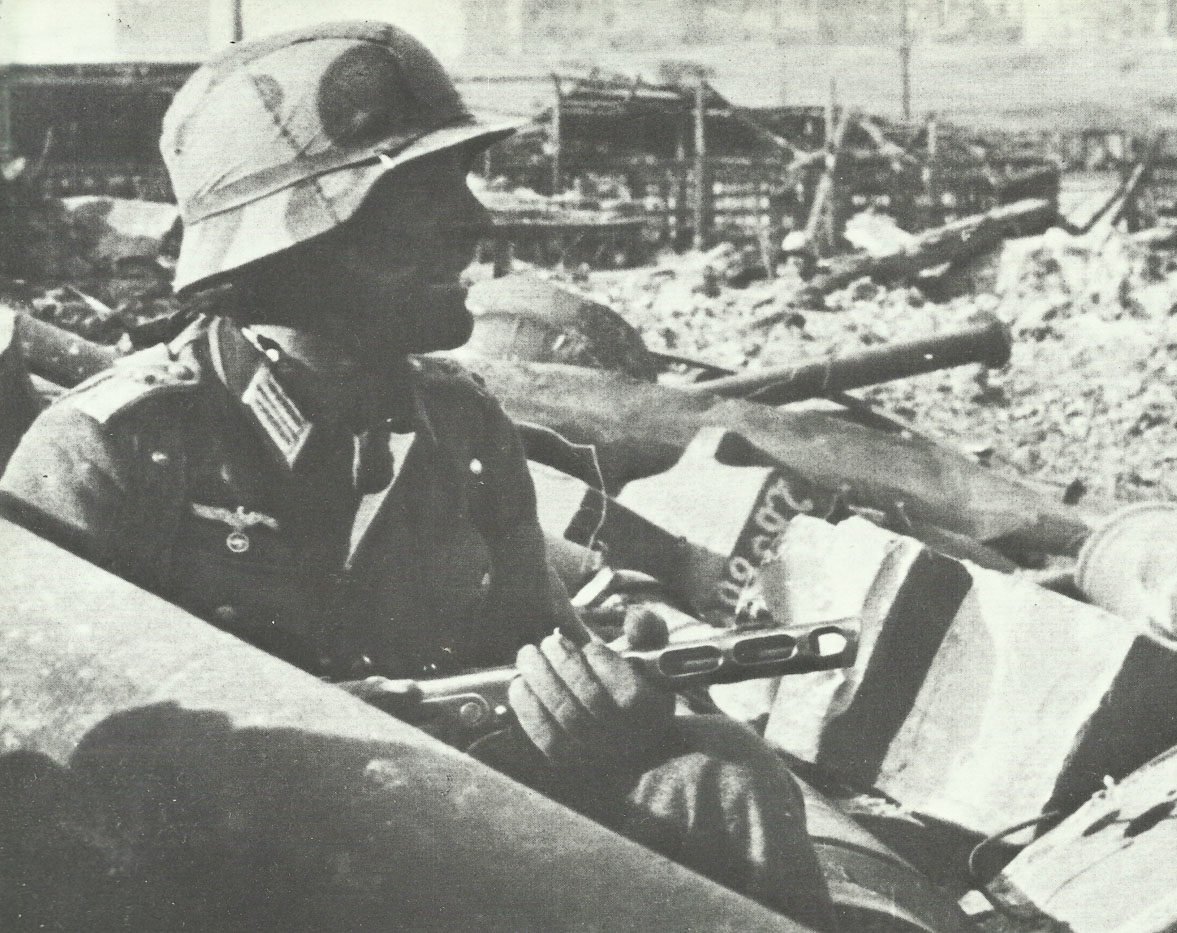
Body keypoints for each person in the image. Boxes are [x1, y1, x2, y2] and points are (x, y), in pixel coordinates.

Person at [0, 22, 835, 929]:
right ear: (300, 241)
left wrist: (597, 708)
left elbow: (534, 657)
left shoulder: (461, 428)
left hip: (438, 829)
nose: (475, 225)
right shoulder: (118, 450)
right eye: (421, 195)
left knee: (717, 777)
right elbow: (45, 777)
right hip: (232, 875)